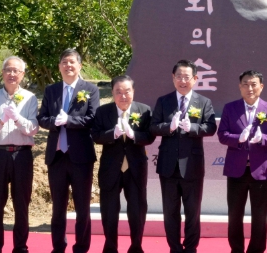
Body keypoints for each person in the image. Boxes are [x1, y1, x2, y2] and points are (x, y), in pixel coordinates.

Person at [150, 60, 217, 253]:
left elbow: (211, 127)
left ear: (195, 79)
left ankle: (190, 248)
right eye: (178, 76)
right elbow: (153, 127)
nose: (182, 80)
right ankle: (174, 248)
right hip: (168, 166)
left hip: (192, 166)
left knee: (192, 212)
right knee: (170, 212)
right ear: (173, 78)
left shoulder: (204, 102)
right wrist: (169, 127)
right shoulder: (163, 101)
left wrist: (193, 128)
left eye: (187, 77)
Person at [38, 48, 100, 253]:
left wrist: (70, 121)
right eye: (64, 62)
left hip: (81, 157)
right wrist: (54, 122)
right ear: (59, 67)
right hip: (56, 157)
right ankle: (58, 247)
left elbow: (93, 119)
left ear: (79, 66)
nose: (68, 66)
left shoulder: (90, 89)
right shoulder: (51, 90)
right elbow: (42, 118)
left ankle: (81, 247)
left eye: (72, 62)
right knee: (58, 207)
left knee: (82, 207)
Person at [217, 70, 267, 253]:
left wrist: (263, 139)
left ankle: (256, 250)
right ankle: (236, 249)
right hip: (236, 170)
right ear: (240, 87)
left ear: (261, 87)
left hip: (261, 170)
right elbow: (222, 135)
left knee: (260, 215)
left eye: (254, 84)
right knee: (234, 214)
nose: (250, 88)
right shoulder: (230, 108)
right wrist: (238, 138)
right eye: (245, 84)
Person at [0, 56, 38, 253]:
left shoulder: (30, 98)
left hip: (22, 155)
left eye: (16, 71)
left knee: (22, 203)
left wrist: (17, 118)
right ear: (2, 73)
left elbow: (33, 128)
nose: (12, 74)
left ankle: (20, 247)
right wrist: (2, 120)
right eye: (8, 70)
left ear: (22, 74)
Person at [90, 75, 155, 253]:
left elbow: (150, 136)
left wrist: (134, 135)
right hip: (111, 168)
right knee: (109, 211)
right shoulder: (103, 111)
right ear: (112, 92)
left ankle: (136, 247)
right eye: (118, 92)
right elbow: (95, 135)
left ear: (133, 91)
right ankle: (110, 247)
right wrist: (113, 134)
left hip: (136, 168)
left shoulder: (144, 110)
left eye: (127, 91)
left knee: (137, 210)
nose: (123, 96)